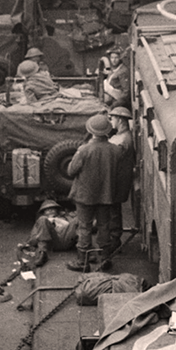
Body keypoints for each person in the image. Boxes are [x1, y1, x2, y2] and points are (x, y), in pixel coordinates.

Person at [66, 114, 122, 272]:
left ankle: (83, 262)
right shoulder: (115, 150)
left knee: (84, 227)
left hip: (84, 196)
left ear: (91, 131)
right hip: (105, 196)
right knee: (104, 226)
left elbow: (71, 171)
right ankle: (105, 260)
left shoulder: (84, 150)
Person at [108, 106, 135, 254]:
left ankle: (114, 240)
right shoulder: (122, 136)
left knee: (113, 211)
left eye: (112, 118)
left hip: (116, 181)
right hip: (118, 180)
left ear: (119, 119)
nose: (111, 121)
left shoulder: (122, 139)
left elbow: (113, 160)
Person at [22, 200, 78, 267]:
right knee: (42, 220)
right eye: (47, 209)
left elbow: (73, 227)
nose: (50, 210)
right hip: (51, 243)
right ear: (43, 212)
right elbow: (32, 240)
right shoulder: (42, 221)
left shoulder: (65, 217)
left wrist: (58, 220)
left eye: (52, 208)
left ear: (57, 210)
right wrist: (47, 225)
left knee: (79, 219)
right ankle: (42, 254)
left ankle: (86, 251)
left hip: (66, 239)